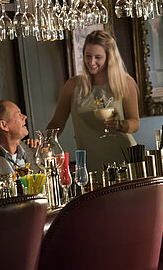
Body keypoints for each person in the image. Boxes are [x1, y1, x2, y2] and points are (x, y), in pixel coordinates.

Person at [47, 30, 139, 171]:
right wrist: (44, 142)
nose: (91, 62)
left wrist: (120, 125)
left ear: (109, 58)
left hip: (125, 160)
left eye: (98, 57)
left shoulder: (125, 82)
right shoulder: (72, 85)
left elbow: (135, 123)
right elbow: (56, 123)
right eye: (88, 56)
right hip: (90, 163)